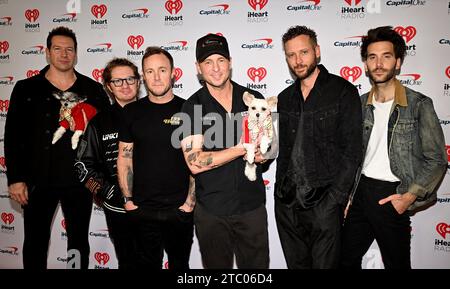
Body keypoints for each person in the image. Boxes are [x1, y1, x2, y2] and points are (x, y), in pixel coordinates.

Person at [340, 26, 447, 269]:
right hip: (361, 192)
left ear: (398, 63)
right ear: (365, 64)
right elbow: (353, 157)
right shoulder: (358, 105)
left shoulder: (418, 105)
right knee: (344, 261)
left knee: (397, 265)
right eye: (372, 57)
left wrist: (408, 197)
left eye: (386, 56)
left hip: (393, 194)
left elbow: (437, 159)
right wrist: (348, 197)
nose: (378, 64)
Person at [4, 26, 109, 269]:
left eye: (69, 49)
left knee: (78, 243)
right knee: (35, 242)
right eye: (58, 49)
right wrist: (15, 179)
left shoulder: (92, 90)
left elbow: (104, 135)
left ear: (76, 53)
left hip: (80, 182)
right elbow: (13, 136)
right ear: (48, 53)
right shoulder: (25, 88)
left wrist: (102, 178)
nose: (64, 54)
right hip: (37, 181)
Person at [275, 25, 362, 269]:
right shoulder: (284, 97)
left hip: (324, 204)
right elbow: (277, 149)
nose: (297, 60)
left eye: (303, 52)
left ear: (317, 51)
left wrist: (335, 200)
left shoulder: (342, 91)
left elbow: (353, 150)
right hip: (287, 204)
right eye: (291, 55)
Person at [179, 33, 270, 269]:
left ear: (230, 61)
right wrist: (242, 149)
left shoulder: (253, 99)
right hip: (212, 213)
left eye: (220, 60)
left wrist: (263, 154)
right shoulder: (192, 106)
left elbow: (269, 147)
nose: (215, 68)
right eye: (208, 62)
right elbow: (195, 162)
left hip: (251, 208)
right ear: (198, 68)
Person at [117, 46, 195, 270]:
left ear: (173, 73)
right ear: (143, 76)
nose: (156, 77)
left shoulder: (189, 109)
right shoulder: (131, 112)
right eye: (149, 71)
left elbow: (196, 160)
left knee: (180, 267)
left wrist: (189, 204)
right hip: (142, 210)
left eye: (162, 70)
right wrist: (129, 202)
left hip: (179, 210)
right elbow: (124, 159)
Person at [74, 58, 140, 269]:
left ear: (139, 82)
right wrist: (107, 191)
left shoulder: (154, 114)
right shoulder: (98, 122)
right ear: (109, 86)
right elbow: (82, 166)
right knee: (128, 262)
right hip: (119, 209)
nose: (125, 85)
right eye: (118, 81)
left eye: (130, 79)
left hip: (155, 206)